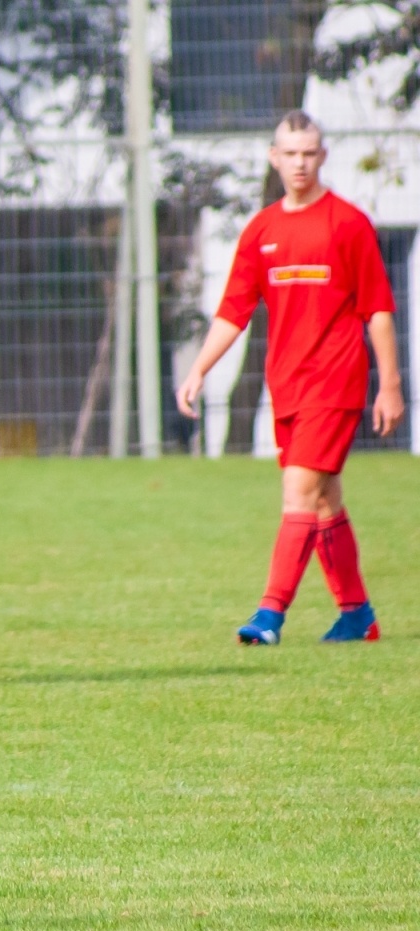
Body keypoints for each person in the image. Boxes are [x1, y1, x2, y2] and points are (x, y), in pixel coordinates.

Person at [176, 110, 404, 645]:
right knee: (325, 501)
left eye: (310, 153)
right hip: (288, 385)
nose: (300, 163)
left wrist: (390, 385)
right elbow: (234, 310)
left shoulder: (347, 223)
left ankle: (269, 616)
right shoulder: (262, 230)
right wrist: (200, 369)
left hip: (336, 381)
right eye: (291, 154)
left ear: (322, 157)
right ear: (274, 158)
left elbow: (377, 309)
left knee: (297, 492)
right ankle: (357, 615)